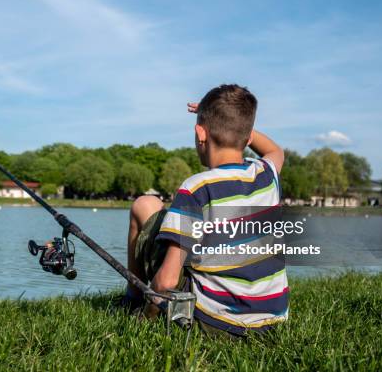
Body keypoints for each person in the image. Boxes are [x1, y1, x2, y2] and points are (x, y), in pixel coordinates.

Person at [123, 84, 288, 337]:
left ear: (201, 133)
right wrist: (235, 125)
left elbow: (166, 282)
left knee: (145, 205)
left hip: (216, 323)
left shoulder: (197, 187)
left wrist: (147, 316)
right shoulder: (266, 174)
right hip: (272, 321)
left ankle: (133, 297)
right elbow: (276, 150)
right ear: (248, 137)